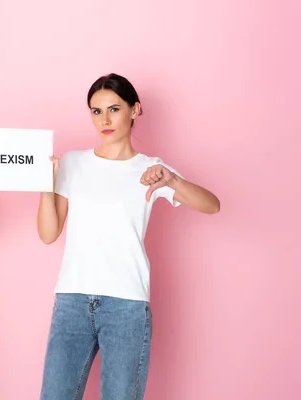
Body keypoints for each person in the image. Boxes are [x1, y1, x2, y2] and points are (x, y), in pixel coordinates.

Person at [37, 73, 220, 400]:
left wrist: (173, 180)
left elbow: (212, 205)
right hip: (72, 301)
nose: (104, 120)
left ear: (135, 110)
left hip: (126, 304)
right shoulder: (73, 163)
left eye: (114, 109)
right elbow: (49, 234)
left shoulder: (151, 169)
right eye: (96, 111)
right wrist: (44, 187)